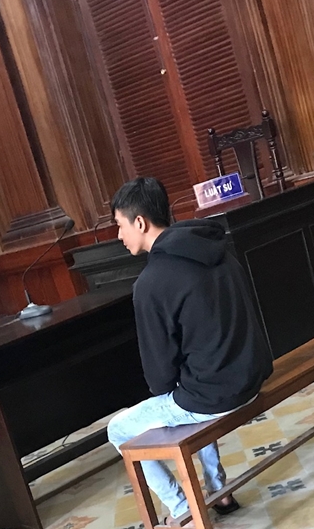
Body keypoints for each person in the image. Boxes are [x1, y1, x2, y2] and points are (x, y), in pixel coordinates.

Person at [106, 177, 273, 524]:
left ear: (140, 223)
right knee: (191, 386)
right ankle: (219, 491)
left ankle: (182, 509)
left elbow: (159, 379)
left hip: (217, 394)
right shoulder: (218, 250)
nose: (119, 236)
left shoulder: (151, 283)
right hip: (252, 375)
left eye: (120, 225)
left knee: (119, 429)